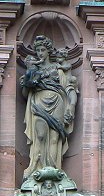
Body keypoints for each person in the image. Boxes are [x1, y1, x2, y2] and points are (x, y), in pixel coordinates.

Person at [20, 35, 78, 177]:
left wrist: (71, 106)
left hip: (57, 101)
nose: (40, 53)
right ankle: (35, 166)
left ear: (48, 51)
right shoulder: (33, 69)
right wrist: (28, 78)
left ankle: (54, 169)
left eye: (42, 50)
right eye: (38, 50)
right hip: (39, 102)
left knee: (54, 137)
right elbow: (25, 93)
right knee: (40, 135)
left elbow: (70, 89)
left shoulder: (58, 69)